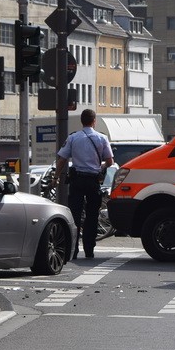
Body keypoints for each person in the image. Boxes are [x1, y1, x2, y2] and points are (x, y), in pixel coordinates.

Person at [55, 108, 113, 259]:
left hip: (77, 180)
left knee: (74, 215)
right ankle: (89, 249)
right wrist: (100, 167)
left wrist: (56, 177)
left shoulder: (73, 138)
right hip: (93, 181)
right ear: (94, 121)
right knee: (92, 216)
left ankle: (73, 250)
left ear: (82, 121)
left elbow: (62, 159)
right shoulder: (102, 138)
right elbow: (110, 161)